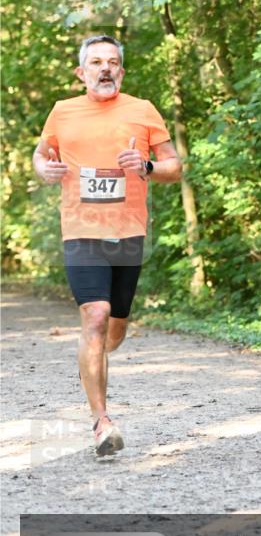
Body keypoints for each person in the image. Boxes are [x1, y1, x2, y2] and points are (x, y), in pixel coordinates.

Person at [32, 35, 182, 456]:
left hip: (127, 232)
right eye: (96, 62)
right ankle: (102, 421)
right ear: (81, 72)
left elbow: (174, 166)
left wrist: (148, 166)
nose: (105, 68)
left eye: (113, 62)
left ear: (121, 71)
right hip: (80, 229)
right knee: (94, 319)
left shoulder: (143, 111)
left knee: (113, 330)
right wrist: (45, 167)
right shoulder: (63, 111)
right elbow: (41, 154)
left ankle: (93, 358)